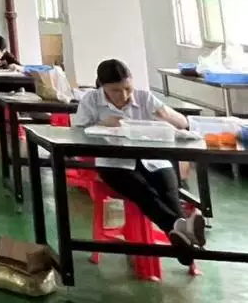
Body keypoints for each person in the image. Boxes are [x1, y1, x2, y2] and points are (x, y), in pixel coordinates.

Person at [71, 58, 205, 263]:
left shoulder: (144, 98)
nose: (124, 95)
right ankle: (185, 236)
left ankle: (182, 241)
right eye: (116, 90)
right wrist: (102, 124)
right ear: (102, 86)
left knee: (169, 192)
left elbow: (183, 123)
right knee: (144, 192)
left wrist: (166, 115)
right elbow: (77, 134)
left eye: (128, 88)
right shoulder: (91, 100)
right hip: (114, 164)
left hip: (153, 160)